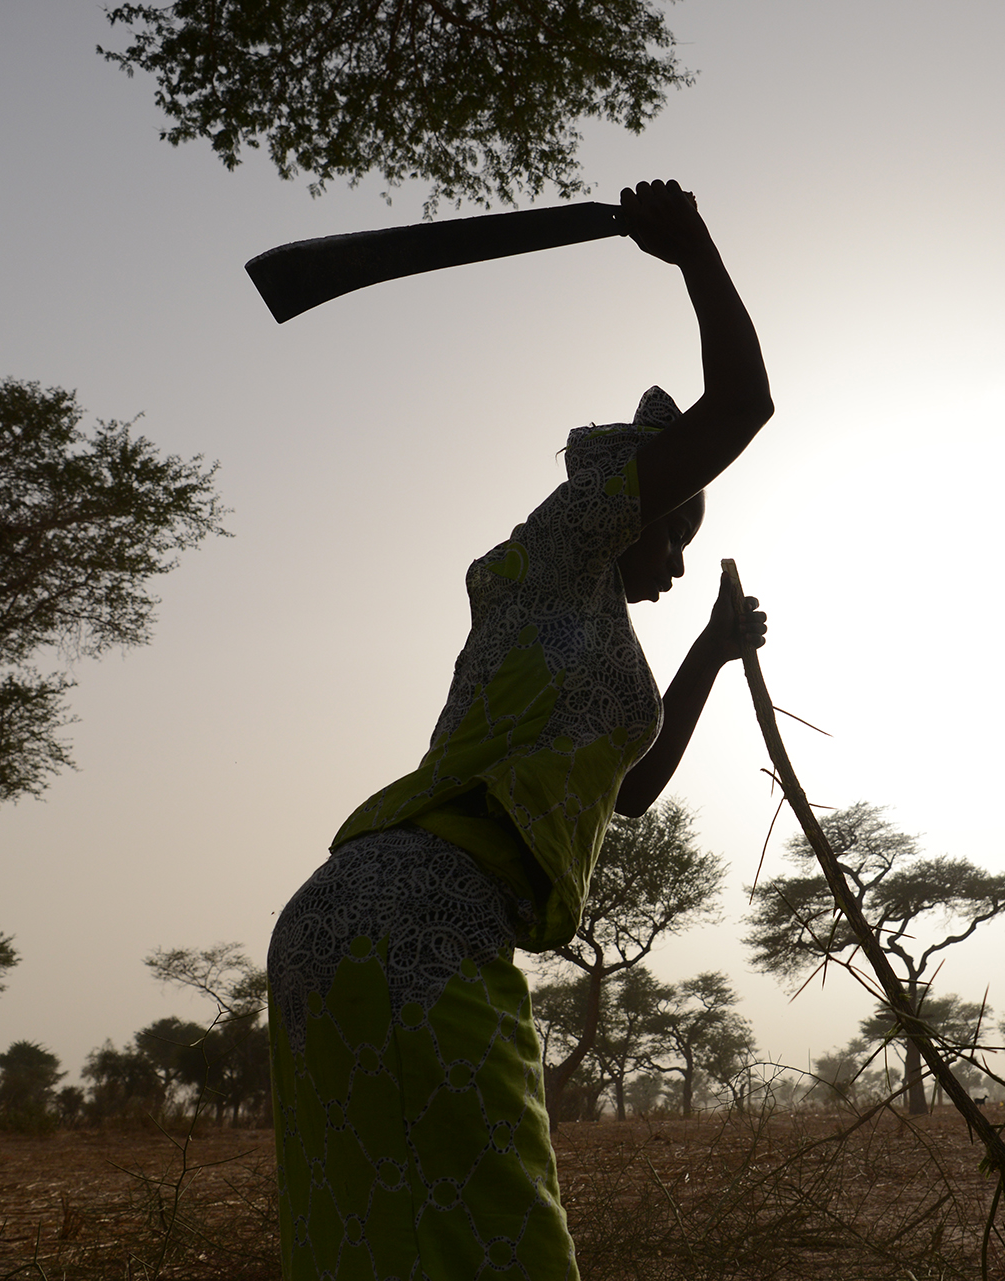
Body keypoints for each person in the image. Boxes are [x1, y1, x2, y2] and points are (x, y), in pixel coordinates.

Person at [266, 179, 773, 1281]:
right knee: (504, 1249)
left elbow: (629, 796)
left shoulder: (582, 630)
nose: (678, 561)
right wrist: (693, 250)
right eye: (676, 526)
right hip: (415, 920)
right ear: (632, 502)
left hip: (384, 920)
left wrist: (712, 653)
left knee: (388, 1250)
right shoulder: (555, 548)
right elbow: (741, 406)